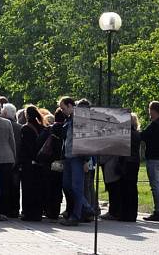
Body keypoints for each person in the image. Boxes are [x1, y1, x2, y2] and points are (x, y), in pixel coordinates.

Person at [59, 96, 93, 226]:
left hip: (78, 157)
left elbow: (85, 140)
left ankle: (76, 216)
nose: (62, 111)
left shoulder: (80, 119)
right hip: (68, 157)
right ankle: (87, 208)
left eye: (63, 108)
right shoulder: (69, 119)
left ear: (70, 106)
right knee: (67, 185)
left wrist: (86, 160)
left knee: (76, 187)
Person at [141, 100, 159, 222]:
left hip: (154, 158)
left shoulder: (154, 125)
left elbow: (142, 136)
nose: (149, 113)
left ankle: (158, 211)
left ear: (153, 111)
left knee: (155, 186)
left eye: (149, 110)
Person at [19, 105, 45, 221]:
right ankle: (38, 212)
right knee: (38, 188)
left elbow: (24, 147)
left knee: (27, 188)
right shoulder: (42, 128)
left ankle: (28, 212)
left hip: (28, 163)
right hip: (40, 163)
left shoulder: (25, 128)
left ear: (27, 115)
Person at [118, 113, 142, 222]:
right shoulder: (137, 134)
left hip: (126, 162)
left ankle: (125, 213)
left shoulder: (126, 134)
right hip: (135, 162)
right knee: (132, 188)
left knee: (125, 188)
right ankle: (132, 214)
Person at [1, 102, 22, 218]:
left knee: (6, 186)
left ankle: (6, 208)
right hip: (17, 160)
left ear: (4, 113)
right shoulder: (19, 127)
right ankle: (15, 209)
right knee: (15, 187)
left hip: (5, 159)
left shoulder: (4, 125)